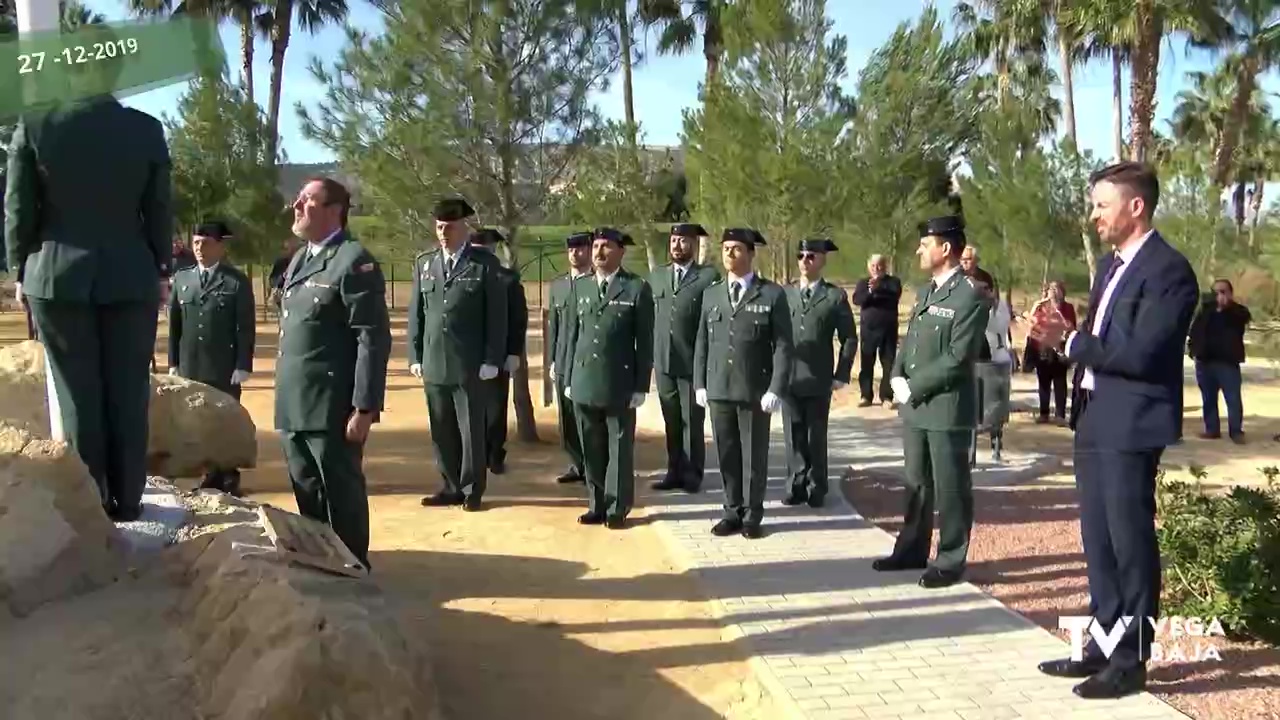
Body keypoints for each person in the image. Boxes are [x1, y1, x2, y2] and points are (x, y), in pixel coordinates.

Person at [1030, 162, 1198, 700]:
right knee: (1098, 541)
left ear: (1136, 207)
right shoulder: (1109, 267)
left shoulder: (1170, 271)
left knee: (1130, 542)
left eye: (1102, 205)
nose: (1094, 215)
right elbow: (1102, 338)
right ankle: (1101, 645)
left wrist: (1077, 345)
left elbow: (1146, 352)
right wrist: (1061, 338)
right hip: (1095, 414)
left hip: (1134, 419)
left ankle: (1131, 661)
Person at [5, 33, 173, 521]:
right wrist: (161, 266)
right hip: (131, 273)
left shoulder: (37, 124)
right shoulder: (146, 129)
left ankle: (91, 499)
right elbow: (158, 210)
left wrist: (21, 266)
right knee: (128, 388)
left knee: (77, 390)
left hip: (56, 274)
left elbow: (18, 209)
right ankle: (128, 498)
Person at [275, 177, 391, 569]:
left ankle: (353, 567)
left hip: (331, 405)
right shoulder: (300, 258)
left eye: (306, 200)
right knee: (307, 491)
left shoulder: (353, 260)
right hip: (295, 402)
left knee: (341, 494)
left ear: (333, 210)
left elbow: (372, 339)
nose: (296, 205)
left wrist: (365, 406)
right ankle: (322, 563)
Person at [875, 215, 988, 589]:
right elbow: (911, 341)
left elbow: (958, 357)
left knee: (951, 487)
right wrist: (895, 374)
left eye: (926, 244)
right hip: (917, 407)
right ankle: (911, 549)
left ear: (945, 248)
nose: (919, 250)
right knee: (917, 483)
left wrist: (915, 385)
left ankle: (952, 559)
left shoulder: (970, 296)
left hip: (946, 408)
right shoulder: (925, 292)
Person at [408, 198, 507, 511]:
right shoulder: (425, 263)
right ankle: (450, 485)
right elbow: (417, 315)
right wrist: (415, 355)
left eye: (449, 227)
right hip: (435, 362)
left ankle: (472, 489)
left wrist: (493, 359)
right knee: (442, 430)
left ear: (465, 228)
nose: (443, 233)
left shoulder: (484, 264)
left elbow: (496, 317)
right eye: (438, 227)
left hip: (470, 364)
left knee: (470, 431)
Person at [694, 228, 793, 539]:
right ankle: (731, 510)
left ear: (751, 254)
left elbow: (783, 346)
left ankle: (752, 515)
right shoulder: (711, 294)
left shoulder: (772, 294)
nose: (730, 254)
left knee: (753, 456)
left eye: (737, 249)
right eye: (726, 249)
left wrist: (776, 388)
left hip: (754, 390)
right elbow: (702, 342)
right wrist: (700, 383)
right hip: (720, 388)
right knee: (726, 453)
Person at [562, 227, 654, 528]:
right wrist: (566, 376)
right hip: (584, 380)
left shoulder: (636, 288)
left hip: (619, 382)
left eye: (606, 247)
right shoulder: (581, 287)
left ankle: (617, 508)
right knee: (591, 447)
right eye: (597, 246)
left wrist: (641, 385)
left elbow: (645, 342)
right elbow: (570, 336)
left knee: (619, 449)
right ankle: (596, 503)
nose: (599, 252)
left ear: (620, 252)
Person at [167, 220, 256, 496]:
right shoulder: (183, 279)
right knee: (197, 421)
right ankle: (208, 472)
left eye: (205, 243)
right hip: (191, 364)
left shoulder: (235, 281)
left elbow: (245, 326)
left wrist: (242, 364)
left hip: (223, 365)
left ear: (221, 246)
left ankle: (227, 474)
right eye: (195, 243)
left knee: (223, 421)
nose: (199, 249)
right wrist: (174, 361)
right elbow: (175, 325)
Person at [782, 238, 856, 508]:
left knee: (815, 435)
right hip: (789, 376)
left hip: (819, 378)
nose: (804, 261)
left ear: (823, 260)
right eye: (800, 255)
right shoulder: (786, 293)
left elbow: (849, 337)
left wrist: (841, 373)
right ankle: (795, 484)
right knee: (793, 435)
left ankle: (817, 486)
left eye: (811, 256)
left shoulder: (834, 296)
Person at [650, 222, 720, 493]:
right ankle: (673, 471)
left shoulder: (708, 277)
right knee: (671, 419)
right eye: (674, 240)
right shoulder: (657, 275)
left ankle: (693, 474)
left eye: (683, 241)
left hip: (692, 361)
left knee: (692, 420)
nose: (677, 245)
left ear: (694, 244)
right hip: (664, 361)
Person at [470, 228, 527, 474]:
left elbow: (517, 317)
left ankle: (494, 454)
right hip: (467, 353)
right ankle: (472, 454)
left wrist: (514, 351)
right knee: (468, 407)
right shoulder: (465, 275)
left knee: (495, 408)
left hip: (499, 352)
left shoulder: (507, 278)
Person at [546, 232, 593, 484]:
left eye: (580, 249)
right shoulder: (559, 285)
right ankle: (577, 464)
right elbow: (553, 325)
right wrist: (552, 360)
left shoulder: (597, 282)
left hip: (586, 362)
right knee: (567, 419)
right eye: (571, 250)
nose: (575, 254)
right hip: (563, 360)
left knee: (586, 416)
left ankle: (593, 466)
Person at [1188, 279, 1251, 443]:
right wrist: (1193, 351)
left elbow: (1243, 318)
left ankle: (1236, 431)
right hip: (1204, 361)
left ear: (1230, 293)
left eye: (1223, 291)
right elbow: (1194, 330)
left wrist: (1227, 306)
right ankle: (1212, 429)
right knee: (1208, 398)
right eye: (1215, 292)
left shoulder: (1237, 312)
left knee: (1233, 398)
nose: (1219, 295)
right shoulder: (1205, 311)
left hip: (1227, 362)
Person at [971, 274, 1013, 465]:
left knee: (995, 405)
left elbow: (999, 327)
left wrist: (986, 308)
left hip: (996, 359)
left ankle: (996, 447)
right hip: (975, 359)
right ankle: (970, 450)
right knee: (975, 407)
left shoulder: (999, 306)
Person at [852, 254, 902, 407]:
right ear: (868, 266)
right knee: (867, 363)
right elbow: (857, 300)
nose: (876, 268)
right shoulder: (863, 283)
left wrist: (878, 288)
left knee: (888, 364)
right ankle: (866, 396)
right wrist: (869, 291)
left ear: (885, 266)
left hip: (888, 329)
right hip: (869, 329)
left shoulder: (893, 282)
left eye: (879, 265)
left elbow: (893, 296)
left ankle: (886, 397)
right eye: (873, 266)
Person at [1028, 281, 1076, 424]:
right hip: (1043, 348)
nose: (1053, 292)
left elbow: (1072, 326)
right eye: (1051, 289)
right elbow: (1031, 325)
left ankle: (1060, 415)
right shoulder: (1041, 307)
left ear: (1062, 291)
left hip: (1059, 348)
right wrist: (1034, 308)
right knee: (1043, 382)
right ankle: (1044, 413)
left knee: (1060, 382)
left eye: (1057, 289)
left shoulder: (1068, 308)